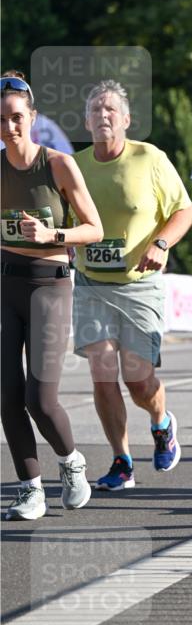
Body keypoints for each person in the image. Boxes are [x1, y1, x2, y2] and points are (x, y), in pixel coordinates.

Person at [73, 80, 192, 490]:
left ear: (126, 119)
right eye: (95, 109)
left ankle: (161, 423)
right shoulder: (75, 165)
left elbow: (184, 210)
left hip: (140, 285)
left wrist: (161, 243)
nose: (103, 115)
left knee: (138, 380)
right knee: (103, 374)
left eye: (110, 109)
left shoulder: (150, 158)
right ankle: (121, 460)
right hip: (91, 284)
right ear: (86, 121)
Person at [1, 71, 103, 520]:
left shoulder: (58, 164)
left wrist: (51, 232)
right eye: (2, 119)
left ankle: (71, 461)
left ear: (33, 117)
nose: (9, 127)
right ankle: (30, 488)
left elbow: (95, 228)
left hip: (50, 282)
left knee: (39, 398)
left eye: (17, 117)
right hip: (5, 282)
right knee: (6, 395)